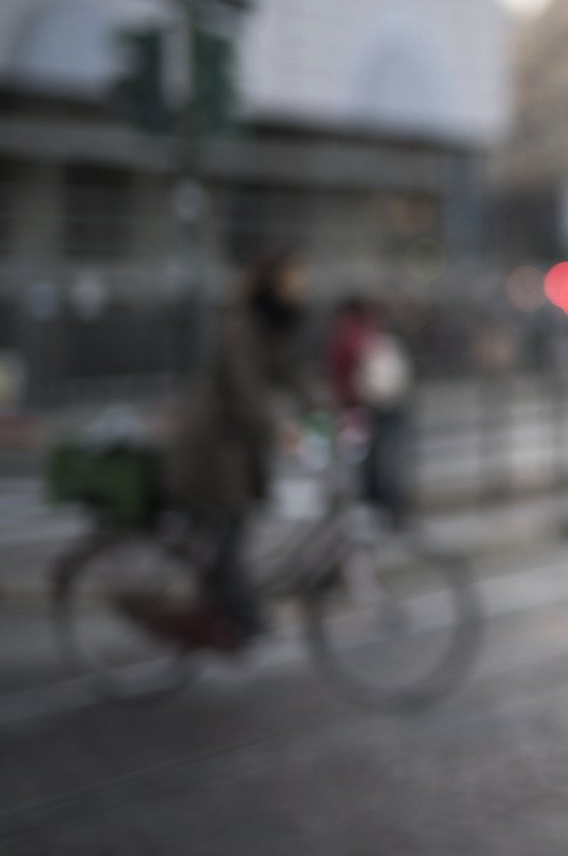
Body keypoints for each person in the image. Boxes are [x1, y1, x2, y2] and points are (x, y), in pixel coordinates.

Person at [165, 248, 317, 648]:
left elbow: (295, 377)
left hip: (234, 445)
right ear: (273, 283)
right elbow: (247, 394)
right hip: (211, 446)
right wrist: (281, 429)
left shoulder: (273, 327)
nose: (304, 287)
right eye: (296, 278)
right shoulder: (242, 326)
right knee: (228, 530)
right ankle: (240, 618)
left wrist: (333, 412)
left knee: (233, 529)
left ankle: (225, 609)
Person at [327, 294, 415, 526]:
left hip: (361, 406)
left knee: (370, 460)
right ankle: (388, 509)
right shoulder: (373, 332)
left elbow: (339, 375)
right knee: (384, 459)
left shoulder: (347, 335)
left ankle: (376, 508)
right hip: (384, 404)